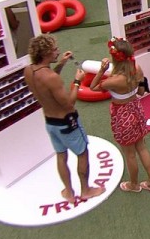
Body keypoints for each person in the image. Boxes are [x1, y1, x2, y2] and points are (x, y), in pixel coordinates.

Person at [23, 34, 104, 203]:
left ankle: (69, 191)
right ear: (45, 53)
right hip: (67, 123)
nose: (58, 51)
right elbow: (69, 103)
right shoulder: (51, 78)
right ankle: (86, 190)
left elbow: (46, 82)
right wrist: (77, 81)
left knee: (61, 156)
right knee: (82, 154)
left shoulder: (29, 70)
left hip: (50, 123)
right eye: (54, 50)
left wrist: (61, 63)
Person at [90, 37, 150, 194]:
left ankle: (134, 185)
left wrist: (101, 70)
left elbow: (93, 87)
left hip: (122, 115)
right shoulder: (137, 68)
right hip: (136, 109)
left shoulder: (114, 81)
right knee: (141, 147)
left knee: (130, 154)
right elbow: (141, 92)